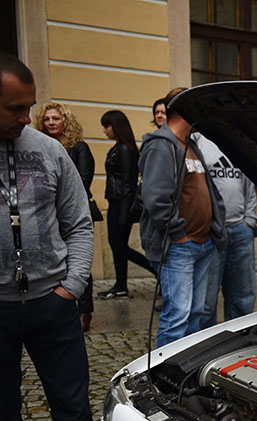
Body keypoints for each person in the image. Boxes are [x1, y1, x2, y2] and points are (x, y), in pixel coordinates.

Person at [0, 53, 105, 421]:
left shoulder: (49, 151)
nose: (27, 117)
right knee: (2, 418)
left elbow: (79, 224)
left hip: (52, 303)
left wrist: (72, 286)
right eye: (15, 108)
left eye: (30, 106)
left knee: (73, 413)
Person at [138, 87, 224, 347]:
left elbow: (206, 191)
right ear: (185, 110)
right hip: (180, 246)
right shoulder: (161, 146)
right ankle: (165, 370)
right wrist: (178, 233)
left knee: (197, 313)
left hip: (203, 244)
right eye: (199, 109)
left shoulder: (191, 144)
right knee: (177, 316)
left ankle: (187, 365)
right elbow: (156, 199)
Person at [33, 102, 95, 331]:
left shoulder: (79, 148)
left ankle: (84, 310)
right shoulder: (38, 148)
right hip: (46, 219)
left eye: (56, 118)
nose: (51, 123)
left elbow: (83, 181)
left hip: (70, 214)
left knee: (79, 262)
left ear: (65, 122)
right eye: (47, 119)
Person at [194, 132, 257, 327]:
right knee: (206, 300)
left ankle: (240, 335)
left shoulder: (236, 141)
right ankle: (207, 339)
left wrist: (249, 219)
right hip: (211, 232)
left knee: (243, 294)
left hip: (241, 230)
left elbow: (249, 181)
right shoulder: (198, 141)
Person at [98, 110, 155, 299]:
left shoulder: (123, 149)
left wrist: (124, 214)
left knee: (119, 246)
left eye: (107, 126)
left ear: (116, 126)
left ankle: (157, 270)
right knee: (118, 246)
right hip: (117, 202)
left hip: (121, 204)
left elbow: (127, 183)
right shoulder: (120, 147)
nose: (105, 130)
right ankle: (120, 285)